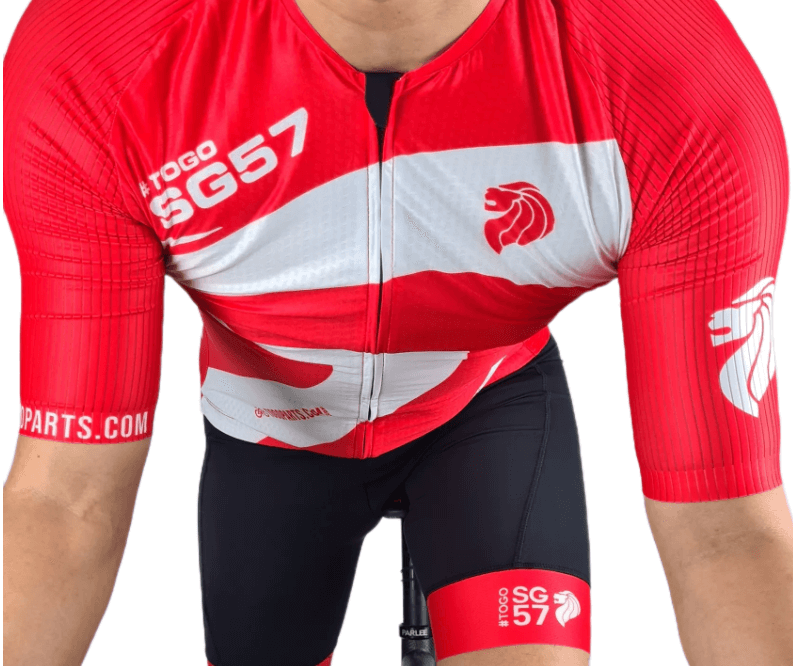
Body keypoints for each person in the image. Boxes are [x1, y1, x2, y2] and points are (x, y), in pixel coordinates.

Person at [3, 0, 792, 664]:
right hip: (272, 422)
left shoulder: (674, 77)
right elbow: (64, 500)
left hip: (487, 403)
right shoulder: (99, 49)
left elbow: (724, 532)